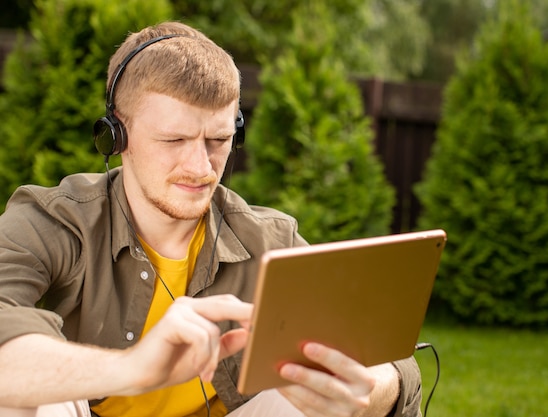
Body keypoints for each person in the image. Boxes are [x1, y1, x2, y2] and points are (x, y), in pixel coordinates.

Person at [0, 21, 422, 417]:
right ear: (116, 136)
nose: (201, 167)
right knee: (22, 396)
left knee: (307, 398)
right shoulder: (55, 219)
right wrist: (134, 368)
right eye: (174, 140)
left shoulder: (271, 238)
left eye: (218, 140)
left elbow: (395, 361)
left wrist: (369, 389)